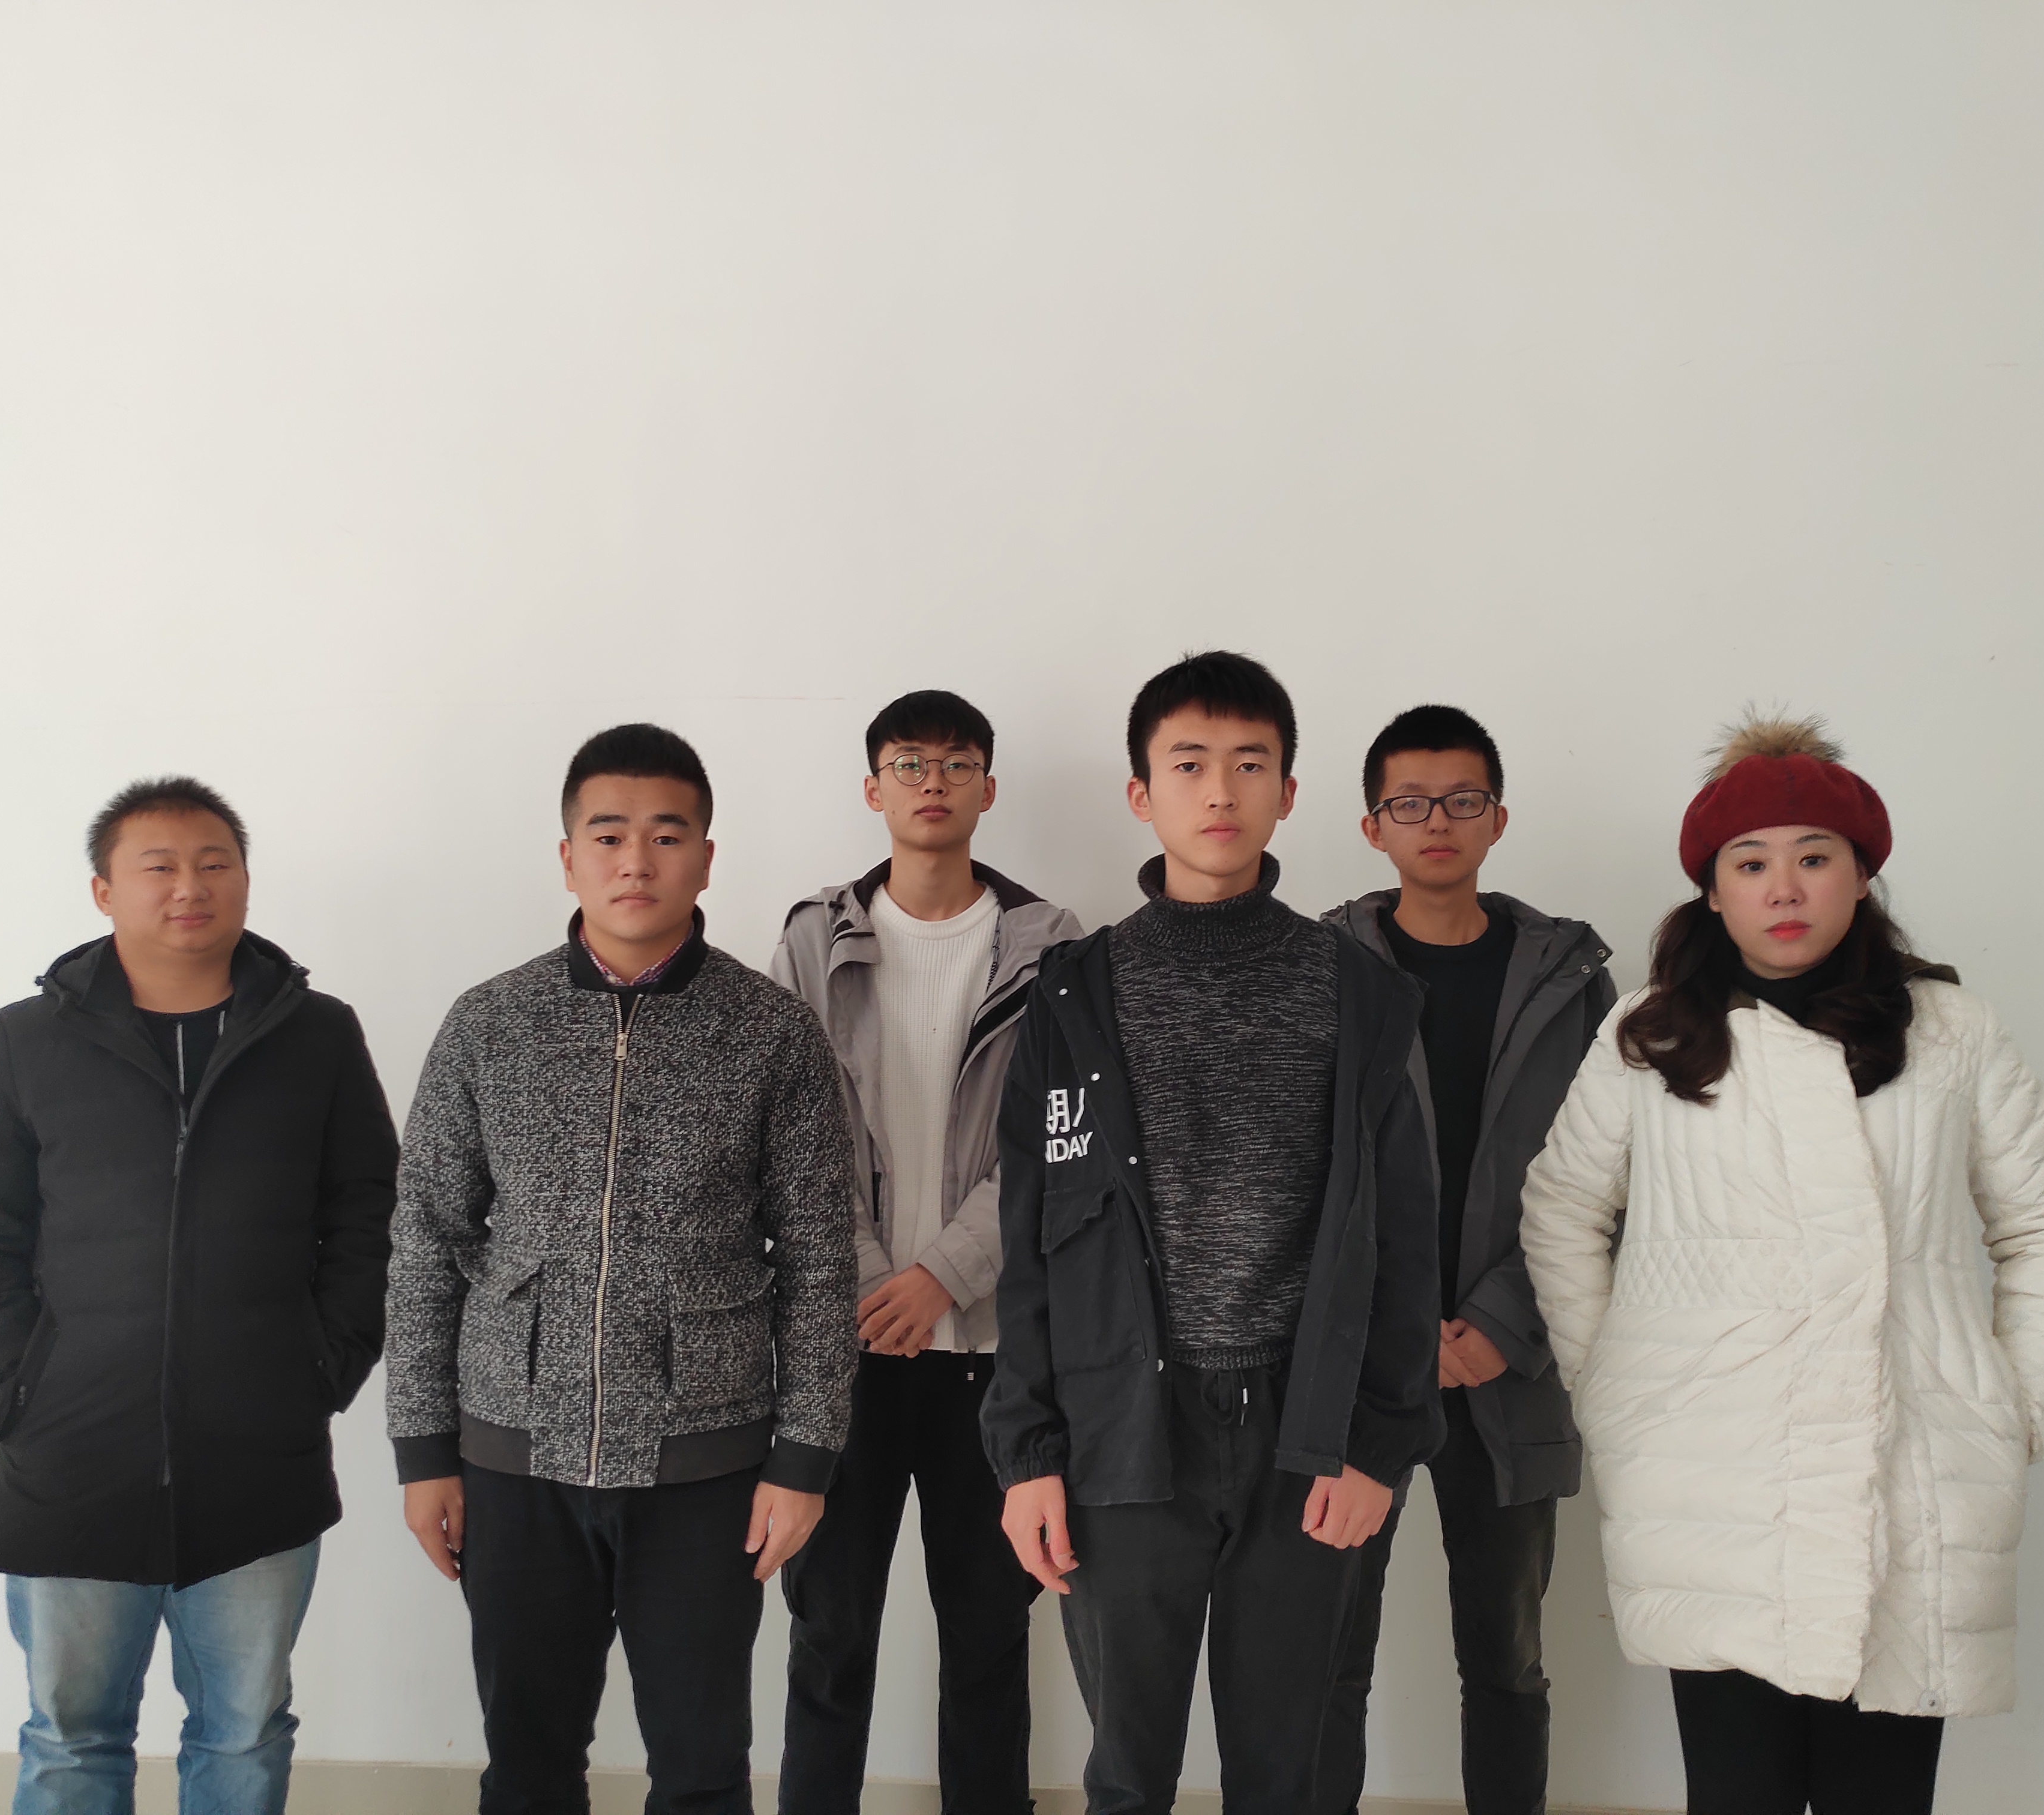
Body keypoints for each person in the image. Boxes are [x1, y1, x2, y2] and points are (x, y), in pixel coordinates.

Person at [1519, 715, 2044, 1815]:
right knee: (1733, 1791)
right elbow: (1561, 1210)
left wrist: (2009, 1403)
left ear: (1862, 875)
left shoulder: (1953, 1032)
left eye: (1814, 858)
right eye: (1750, 864)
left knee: (1881, 1797)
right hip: (1710, 1472)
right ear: (1713, 892)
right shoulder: (1652, 1036)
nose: (1783, 888)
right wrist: (1614, 1385)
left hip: (1915, 1470)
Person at [981, 650, 1444, 1815]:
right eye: (1189, 765)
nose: (1221, 791)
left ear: (1288, 791)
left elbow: (1402, 1236)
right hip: (1122, 1431)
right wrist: (1029, 1455)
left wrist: (1380, 1443)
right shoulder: (1074, 993)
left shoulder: (1358, 991)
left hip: (1305, 1429)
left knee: (1287, 1772)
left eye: (1250, 764)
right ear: (1143, 794)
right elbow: (1029, 1247)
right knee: (1127, 1773)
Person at [387, 723, 856, 1815]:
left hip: (707, 1466)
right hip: (514, 1457)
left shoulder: (772, 1034)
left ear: (706, 856)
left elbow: (821, 1261)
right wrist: (423, 1449)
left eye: (665, 835)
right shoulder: (489, 1024)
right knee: (528, 1765)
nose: (635, 861)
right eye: (608, 836)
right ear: (568, 858)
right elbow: (426, 1242)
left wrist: (805, 1459)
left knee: (701, 1769)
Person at [0, 776, 399, 1815]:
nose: (191, 886)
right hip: (70, 1451)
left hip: (259, 1450)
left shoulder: (316, 1035)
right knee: (71, 1735)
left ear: (244, 881)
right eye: (160, 866)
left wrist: (322, 1365)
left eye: (215, 863)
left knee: (244, 1730)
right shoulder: (25, 1041)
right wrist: (7, 1389)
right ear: (104, 891)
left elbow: (368, 1216)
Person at [770, 690, 1083, 1815]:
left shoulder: (1053, 943)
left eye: (956, 763)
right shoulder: (814, 937)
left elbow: (1064, 1143)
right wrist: (872, 1283)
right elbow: (786, 1128)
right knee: (830, 1629)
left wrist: (944, 1274)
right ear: (875, 788)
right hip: (843, 1352)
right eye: (909, 763)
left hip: (993, 1358)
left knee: (990, 1633)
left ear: (988, 787)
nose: (933, 781)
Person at [1315, 705, 1614, 1815]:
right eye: (1409, 802)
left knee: (1507, 1662)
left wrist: (1501, 1324)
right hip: (1357, 1372)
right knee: (1329, 1659)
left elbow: (1611, 1179)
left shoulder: (1571, 982)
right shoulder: (1323, 969)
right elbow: (1295, 1179)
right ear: (1371, 825)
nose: (1436, 820)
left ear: (1498, 818)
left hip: (1508, 1365)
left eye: (1462, 800)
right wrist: (1386, 1334)